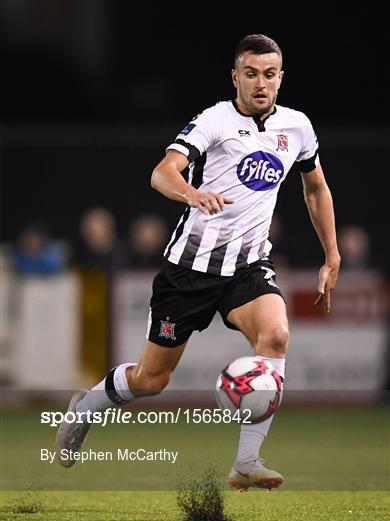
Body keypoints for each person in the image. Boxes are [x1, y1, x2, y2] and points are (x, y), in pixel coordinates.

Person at [56, 34, 340, 490]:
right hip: (190, 270)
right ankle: (86, 407)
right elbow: (162, 172)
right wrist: (191, 192)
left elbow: (316, 188)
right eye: (250, 74)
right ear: (235, 77)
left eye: (269, 74)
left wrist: (332, 253)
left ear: (281, 78)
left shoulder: (298, 127)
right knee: (152, 380)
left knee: (276, 336)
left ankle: (247, 462)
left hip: (247, 268)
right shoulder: (214, 120)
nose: (260, 83)